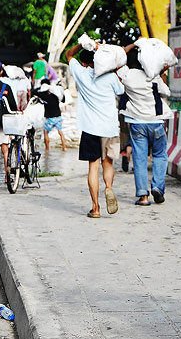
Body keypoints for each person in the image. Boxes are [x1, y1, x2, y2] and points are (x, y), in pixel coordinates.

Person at [65, 42, 124, 218]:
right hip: (109, 127)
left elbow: (69, 55)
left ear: (84, 63)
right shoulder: (110, 77)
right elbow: (120, 90)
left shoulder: (81, 73)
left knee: (93, 167)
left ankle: (95, 208)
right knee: (108, 163)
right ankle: (108, 188)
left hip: (90, 128)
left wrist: (80, 44)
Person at [117, 46, 173, 206]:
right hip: (156, 122)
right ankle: (157, 187)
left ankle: (143, 196)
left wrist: (130, 47)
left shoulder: (127, 74)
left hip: (136, 123)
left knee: (140, 159)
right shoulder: (153, 76)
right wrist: (161, 73)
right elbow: (166, 92)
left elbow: (117, 62)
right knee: (160, 155)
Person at [33, 79, 67, 152]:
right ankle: (64, 148)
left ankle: (47, 149)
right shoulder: (55, 93)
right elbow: (63, 99)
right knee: (61, 132)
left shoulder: (44, 95)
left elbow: (34, 92)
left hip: (50, 118)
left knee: (45, 132)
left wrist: (39, 88)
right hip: (58, 116)